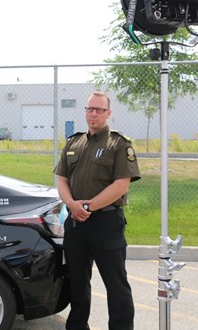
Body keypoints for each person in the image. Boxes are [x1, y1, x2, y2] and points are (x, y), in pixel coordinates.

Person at [54, 91, 141, 330]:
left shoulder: (118, 144)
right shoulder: (74, 142)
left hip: (106, 223)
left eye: (99, 110)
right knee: (78, 285)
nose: (93, 113)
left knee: (116, 285)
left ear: (108, 113)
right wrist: (72, 205)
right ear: (85, 111)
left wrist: (88, 207)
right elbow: (62, 179)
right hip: (76, 223)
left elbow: (121, 185)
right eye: (90, 108)